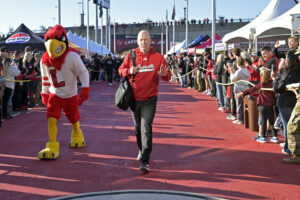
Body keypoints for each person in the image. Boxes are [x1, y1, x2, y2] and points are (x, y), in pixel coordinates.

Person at [119, 30, 171, 173]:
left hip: (150, 99)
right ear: (137, 41)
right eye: (141, 40)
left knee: (146, 128)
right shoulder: (131, 55)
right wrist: (129, 71)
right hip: (134, 99)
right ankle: (141, 150)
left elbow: (168, 76)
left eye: (146, 40)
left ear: (150, 41)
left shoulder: (158, 57)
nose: (143, 42)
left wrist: (164, 75)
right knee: (137, 129)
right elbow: (120, 70)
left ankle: (145, 161)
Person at [237, 68, 277, 143]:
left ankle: (263, 137)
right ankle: (275, 136)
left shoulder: (261, 84)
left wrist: (242, 93)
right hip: (271, 105)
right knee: (272, 121)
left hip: (262, 105)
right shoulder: (273, 83)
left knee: (263, 120)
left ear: (262, 76)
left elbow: (252, 89)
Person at [272, 50, 300, 154]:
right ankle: (290, 146)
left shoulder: (290, 73)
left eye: (286, 58)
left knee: (288, 125)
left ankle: (289, 148)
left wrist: (275, 80)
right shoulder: (293, 72)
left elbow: (279, 87)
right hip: (292, 101)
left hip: (286, 102)